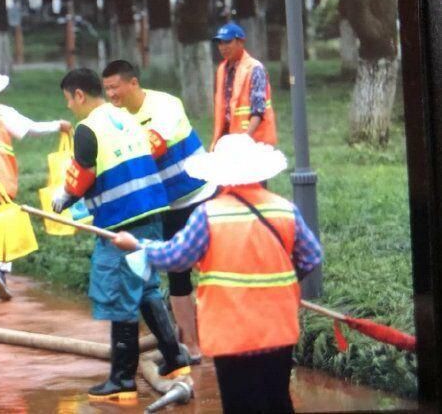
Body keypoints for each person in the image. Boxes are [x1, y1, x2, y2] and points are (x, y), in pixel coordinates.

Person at [111, 134, 323, 413]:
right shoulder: (285, 210)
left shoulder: (209, 215)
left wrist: (138, 245)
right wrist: (284, 282)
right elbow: (311, 255)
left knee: (239, 404)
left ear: (220, 177)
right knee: (278, 400)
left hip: (232, 333)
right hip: (278, 329)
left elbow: (176, 257)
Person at [51, 68, 191, 403]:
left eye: (69, 101)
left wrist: (63, 197)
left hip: (122, 221)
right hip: (153, 211)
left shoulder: (88, 128)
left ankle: (122, 380)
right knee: (145, 287)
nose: (70, 107)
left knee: (119, 293)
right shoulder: (125, 116)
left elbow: (82, 174)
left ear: (79, 96)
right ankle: (175, 360)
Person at [102, 59, 217, 363]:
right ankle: (192, 346)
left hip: (199, 195)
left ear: (133, 83)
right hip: (163, 204)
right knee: (177, 274)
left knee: (214, 267)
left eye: (115, 87)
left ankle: (223, 335)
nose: (111, 94)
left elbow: (153, 147)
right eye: (106, 90)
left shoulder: (165, 105)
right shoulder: (113, 117)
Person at [0, 64, 72, 301]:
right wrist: (59, 125)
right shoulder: (1, 112)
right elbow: (30, 129)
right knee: (5, 226)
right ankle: (1, 272)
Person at [211, 22, 277, 149]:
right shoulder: (221, 69)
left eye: (227, 42)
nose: (222, 47)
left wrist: (245, 140)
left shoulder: (255, 68)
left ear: (240, 42)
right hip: (228, 140)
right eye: (220, 43)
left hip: (254, 141)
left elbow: (258, 109)